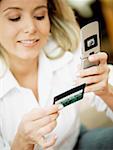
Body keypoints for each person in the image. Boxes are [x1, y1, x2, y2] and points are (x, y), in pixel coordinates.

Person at [0, 0, 113, 150]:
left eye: (40, 16)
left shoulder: (66, 48)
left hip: (73, 143)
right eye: (14, 17)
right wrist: (22, 142)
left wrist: (107, 92)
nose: (31, 28)